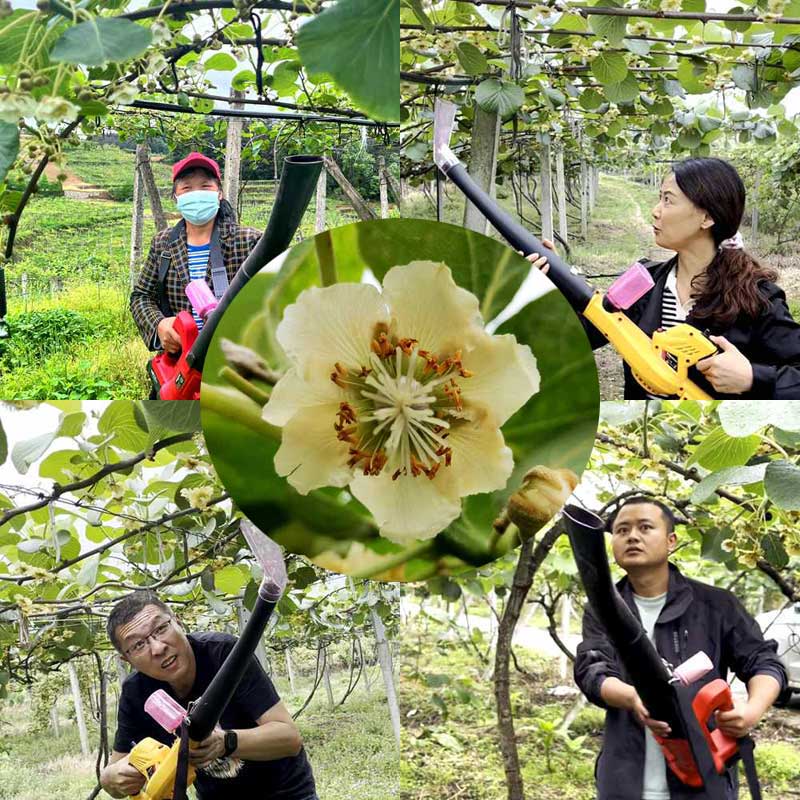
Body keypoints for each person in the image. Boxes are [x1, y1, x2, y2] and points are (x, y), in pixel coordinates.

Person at [527, 157, 800, 398]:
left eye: (668, 200)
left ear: (706, 217)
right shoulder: (641, 280)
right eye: (659, 198)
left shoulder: (758, 297)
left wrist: (753, 378)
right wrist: (549, 290)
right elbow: (581, 337)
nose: (656, 210)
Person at [574, 496, 787, 800]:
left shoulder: (716, 605)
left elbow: (764, 661)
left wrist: (752, 710)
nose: (632, 536)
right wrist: (633, 697)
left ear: (671, 541)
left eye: (645, 527)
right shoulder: (602, 609)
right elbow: (592, 671)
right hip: (624, 782)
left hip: (703, 780)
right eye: (621, 530)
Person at [99, 591, 318, 800]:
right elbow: (114, 772)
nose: (157, 648)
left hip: (286, 792)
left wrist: (225, 742)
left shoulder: (225, 655)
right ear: (127, 661)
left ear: (178, 622)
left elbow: (290, 739)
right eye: (138, 645)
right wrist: (111, 778)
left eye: (161, 629)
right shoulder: (137, 692)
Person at [130, 152, 261, 356]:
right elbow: (141, 296)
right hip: (180, 365)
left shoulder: (248, 241)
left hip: (236, 362)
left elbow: (277, 294)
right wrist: (159, 324)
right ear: (176, 197)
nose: (196, 193)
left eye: (205, 186)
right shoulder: (163, 244)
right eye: (187, 188)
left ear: (219, 193)